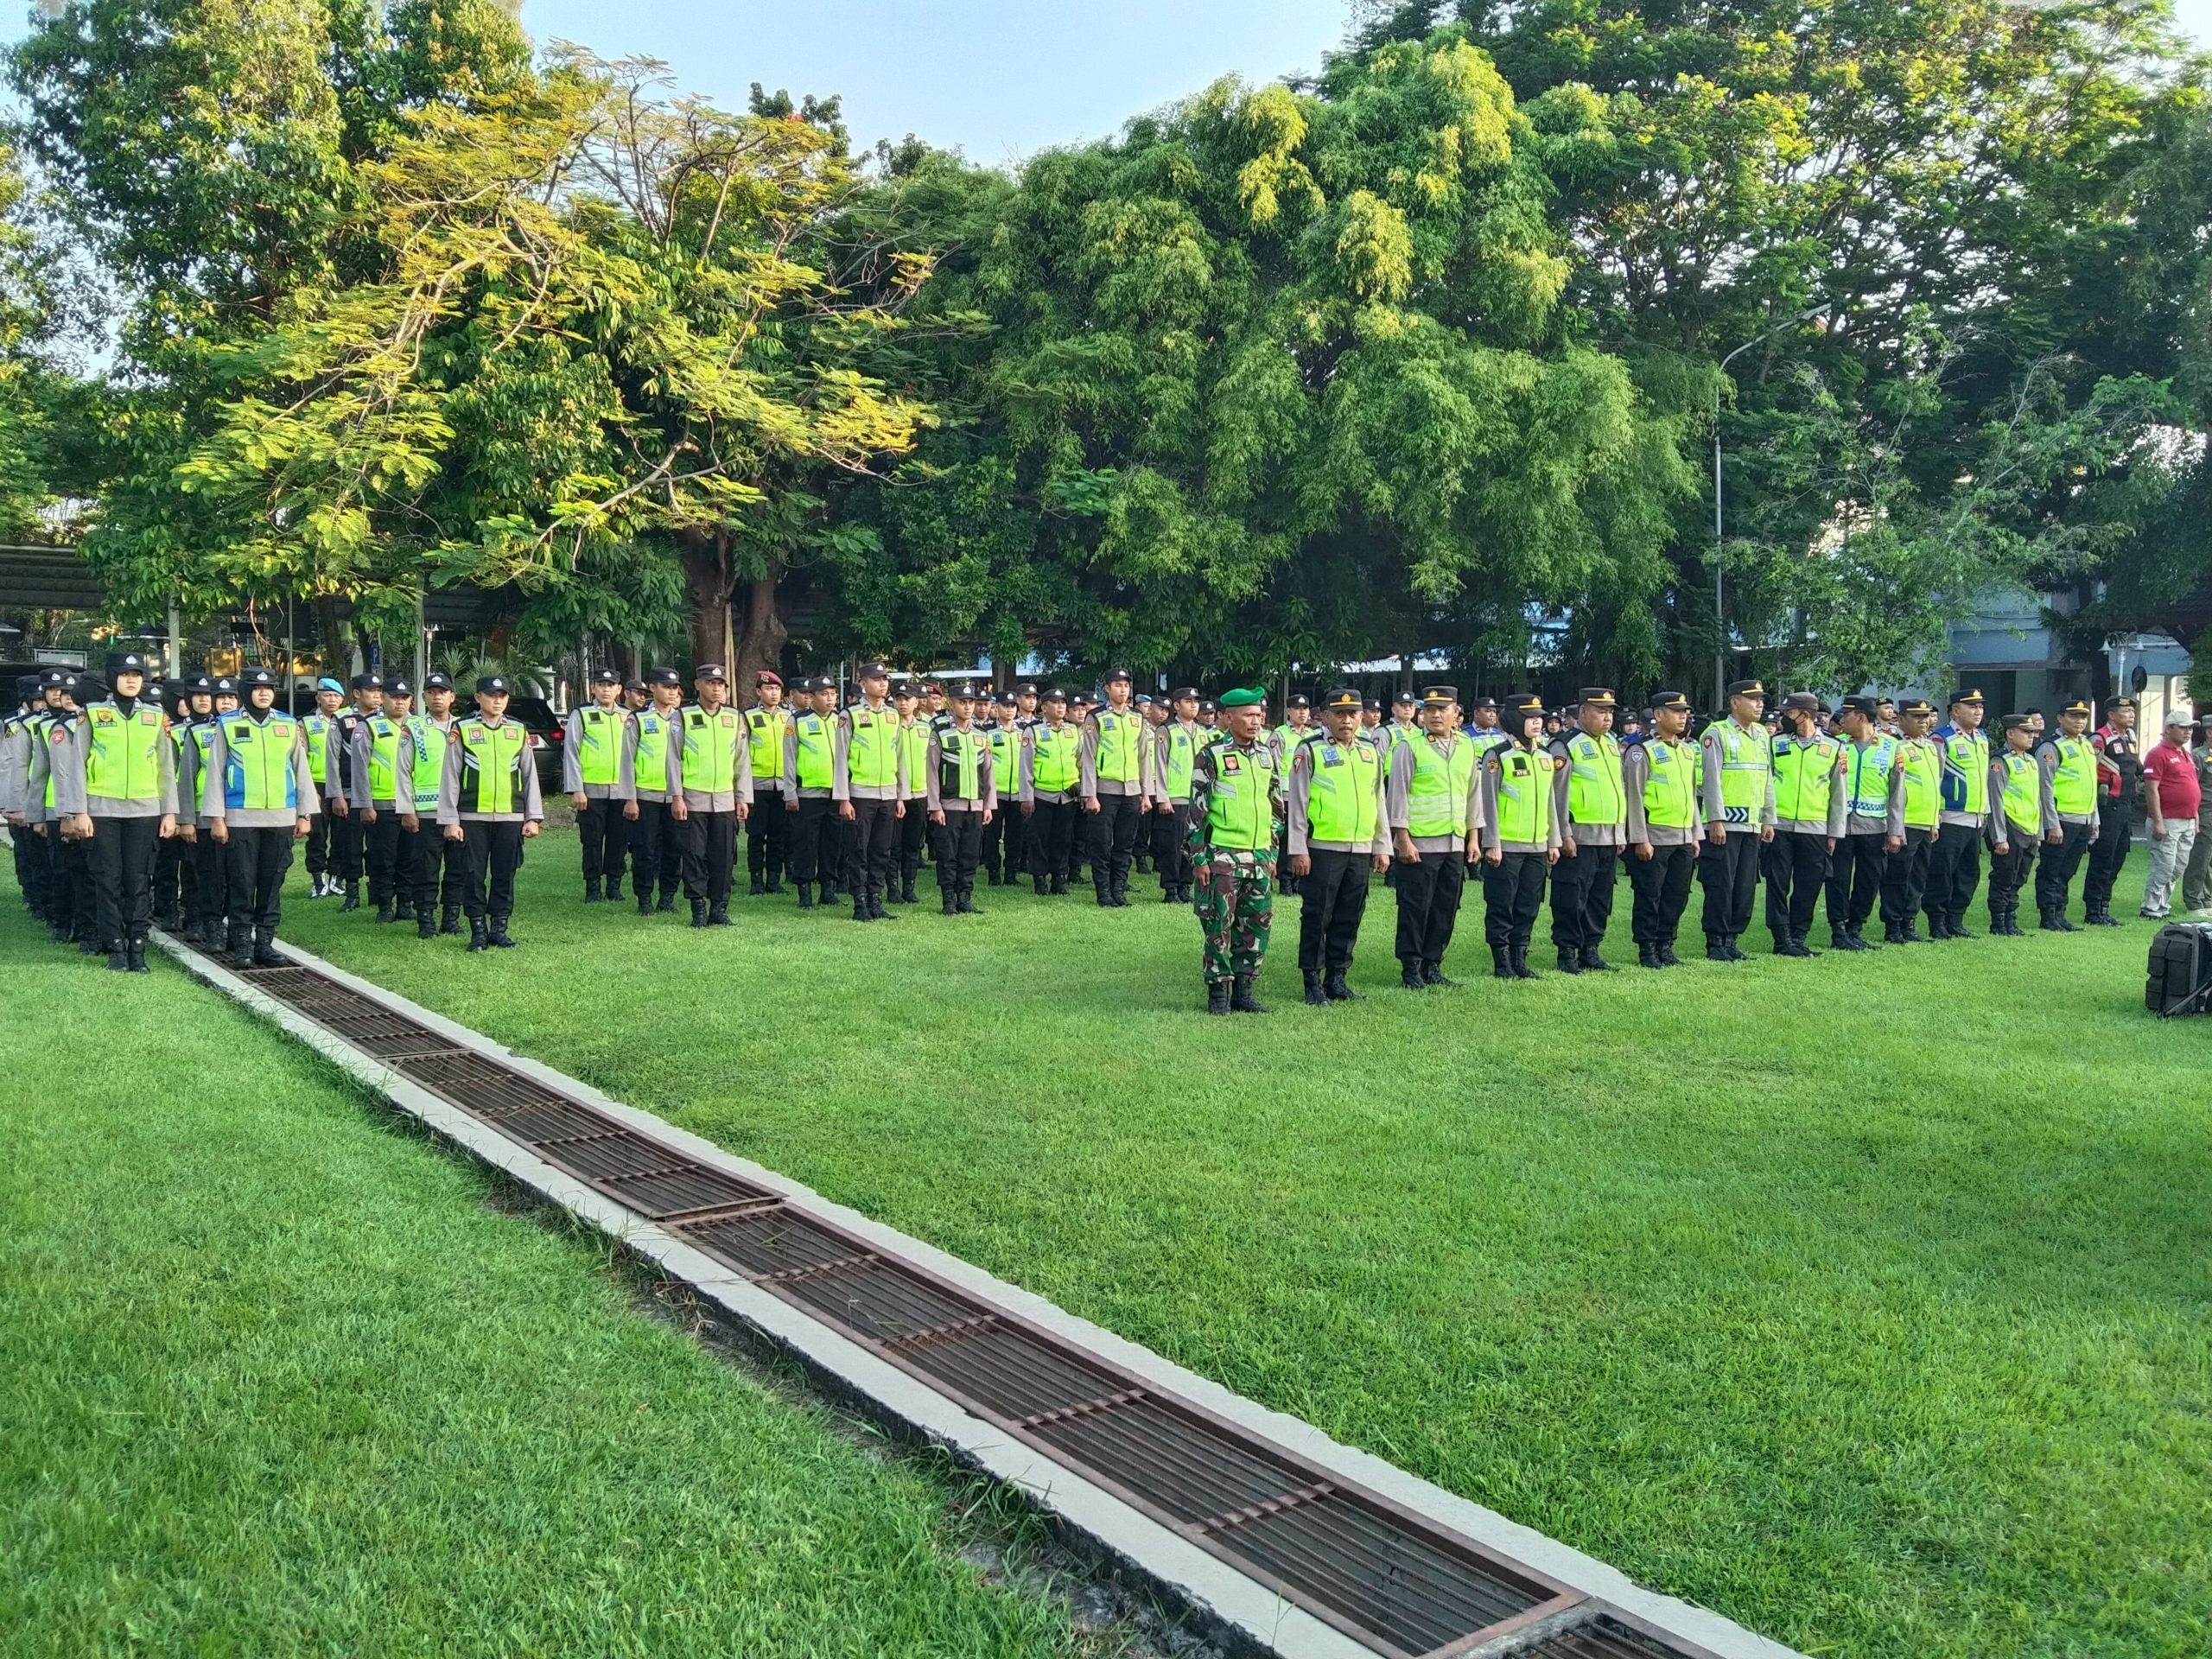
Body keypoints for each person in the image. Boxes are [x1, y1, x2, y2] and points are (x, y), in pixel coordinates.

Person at [46, 651, 180, 972]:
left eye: (137, 674)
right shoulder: (91, 714)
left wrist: (170, 812)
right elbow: (76, 765)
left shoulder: (153, 715)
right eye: (125, 674)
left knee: (137, 880)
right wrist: (79, 811)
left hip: (145, 809)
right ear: (111, 678)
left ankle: (137, 944)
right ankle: (115, 947)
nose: (132, 680)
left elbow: (164, 766)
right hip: (101, 809)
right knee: (108, 880)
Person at [199, 665, 315, 965]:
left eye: (269, 688)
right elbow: (215, 773)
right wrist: (216, 818)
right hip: (240, 818)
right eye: (257, 688)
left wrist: (305, 814)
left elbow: (301, 771)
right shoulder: (226, 725)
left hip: (280, 817)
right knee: (241, 881)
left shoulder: (288, 725)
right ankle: (242, 947)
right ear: (244, 692)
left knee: (272, 881)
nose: (264, 693)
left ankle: (265, 943)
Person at [1286, 688, 1389, 1003]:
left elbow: (1378, 800)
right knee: (1318, 915)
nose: (1347, 720)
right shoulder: (1310, 750)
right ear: (1326, 716)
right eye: (1340, 714)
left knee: (1349, 914)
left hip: (1359, 847)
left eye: (1353, 714)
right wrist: (1298, 848)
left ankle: (1337, 977)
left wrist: (1382, 844)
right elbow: (1298, 803)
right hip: (1322, 847)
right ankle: (1312, 981)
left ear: (1361, 717)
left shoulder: (1371, 750)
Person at [1187, 686, 1281, 1014]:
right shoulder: (1211, 754)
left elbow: (1276, 808)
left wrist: (1272, 853)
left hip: (1258, 857)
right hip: (1222, 857)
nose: (1256, 721)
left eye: (1259, 715)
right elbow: (1197, 809)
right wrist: (1199, 858)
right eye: (1248, 715)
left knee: (1256, 925)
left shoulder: (1267, 755)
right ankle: (1218, 994)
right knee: (1218, 926)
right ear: (1228, 718)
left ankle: (1244, 991)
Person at [436, 675, 543, 950]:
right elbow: (450, 777)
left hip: (511, 816)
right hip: (472, 816)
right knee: (472, 874)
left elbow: (530, 776)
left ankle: (499, 927)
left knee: (505, 873)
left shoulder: (518, 730)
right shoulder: (462, 729)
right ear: (478, 698)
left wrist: (532, 817)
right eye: (491, 695)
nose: (497, 700)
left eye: (502, 696)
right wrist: (450, 819)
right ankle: (478, 931)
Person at [1387, 686, 1482, 988]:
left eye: (1443, 709)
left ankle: (1433, 964)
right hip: (1420, 843)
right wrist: (1402, 839)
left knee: (1446, 906)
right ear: (1421, 714)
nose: (1436, 715)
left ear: (1456, 714)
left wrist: (1474, 838)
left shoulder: (1467, 746)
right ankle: (1411, 967)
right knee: (1416, 907)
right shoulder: (1410, 746)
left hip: (1454, 842)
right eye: (1430, 709)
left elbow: (1473, 795)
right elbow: (1397, 796)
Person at [1477, 693, 1559, 979]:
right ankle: (1502, 962)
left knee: (1528, 904)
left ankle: (1519, 957)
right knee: (1502, 904)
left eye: (1539, 717)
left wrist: (1554, 841)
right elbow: (1487, 802)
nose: (1537, 723)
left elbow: (1551, 803)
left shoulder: (1546, 757)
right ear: (1514, 719)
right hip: (1507, 847)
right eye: (1530, 717)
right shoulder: (1498, 756)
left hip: (1537, 844)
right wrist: (1492, 843)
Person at [1547, 688, 1627, 972]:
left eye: (1610, 712)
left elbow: (1617, 789)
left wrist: (1620, 830)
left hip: (1608, 834)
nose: (1608, 718)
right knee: (1571, 895)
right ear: (1582, 712)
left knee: (1599, 896)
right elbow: (1555, 795)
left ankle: (1590, 949)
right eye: (1601, 711)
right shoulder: (1565, 745)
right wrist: (1563, 834)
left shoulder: (1610, 744)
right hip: (1579, 836)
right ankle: (1567, 951)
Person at [1760, 691, 1843, 958]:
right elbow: (1767, 783)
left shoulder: (1834, 747)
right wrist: (1766, 819)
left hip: (1815, 827)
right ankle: (1781, 937)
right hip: (1780, 826)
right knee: (1777, 882)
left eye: (1788, 713)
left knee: (1809, 884)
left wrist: (1834, 832)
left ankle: (1798, 935)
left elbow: (1838, 794)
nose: (1783, 718)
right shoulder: (1776, 744)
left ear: (1804, 714)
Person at [1623, 690, 1701, 968]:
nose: (1683, 717)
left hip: (1682, 835)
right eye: (1677, 712)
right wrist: (1639, 838)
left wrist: (1695, 833)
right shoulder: (1642, 751)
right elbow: (1633, 797)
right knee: (1650, 895)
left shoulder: (1687, 751)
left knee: (1677, 895)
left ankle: (1666, 944)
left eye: (1685, 712)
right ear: (1658, 715)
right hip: (1654, 836)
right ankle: (1647, 949)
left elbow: (1691, 795)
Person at [1699, 679, 1776, 960]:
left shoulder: (1761, 735)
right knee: (1721, 883)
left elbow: (1766, 778)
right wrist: (1716, 819)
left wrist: (1768, 818)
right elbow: (1711, 780)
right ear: (1735, 702)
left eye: (1761, 699)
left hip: (1752, 825)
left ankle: (1732, 938)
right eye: (1753, 699)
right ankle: (1716, 941)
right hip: (1726, 825)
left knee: (1744, 885)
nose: (1760, 704)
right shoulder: (1716, 733)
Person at [671, 664, 750, 926]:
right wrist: (677, 796)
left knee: (724, 855)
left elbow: (741, 760)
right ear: (698, 685)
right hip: (694, 797)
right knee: (694, 854)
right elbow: (673, 759)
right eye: (711, 683)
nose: (716, 689)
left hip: (725, 798)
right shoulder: (683, 716)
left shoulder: (734, 717)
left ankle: (719, 907)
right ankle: (698, 908)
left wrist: (743, 797)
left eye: (721, 684)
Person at [1826, 696, 1903, 951]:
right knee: (1837, 878)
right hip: (1841, 825)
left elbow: (1897, 793)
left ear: (1860, 717)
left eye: (1845, 716)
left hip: (1874, 826)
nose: (1840, 721)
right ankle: (1838, 929)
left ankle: (1855, 927)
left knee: (1869, 879)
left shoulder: (1891, 746)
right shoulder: (1838, 745)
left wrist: (1895, 830)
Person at [834, 662, 906, 922]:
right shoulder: (849, 714)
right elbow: (840, 758)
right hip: (861, 793)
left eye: (885, 679)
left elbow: (900, 757)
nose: (883, 684)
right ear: (863, 683)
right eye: (876, 679)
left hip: (887, 793)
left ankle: (876, 899)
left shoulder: (892, 715)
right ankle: (859, 902)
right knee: (859, 849)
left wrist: (901, 795)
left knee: (881, 850)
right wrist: (843, 797)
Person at [1078, 667, 1154, 906]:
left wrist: (1146, 793)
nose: (1123, 690)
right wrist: (1090, 794)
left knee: (1125, 843)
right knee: (1101, 843)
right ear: (1107, 688)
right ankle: (1103, 892)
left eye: (1126, 685)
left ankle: (1118, 890)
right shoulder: (1097, 717)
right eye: (1118, 685)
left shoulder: (1137, 717)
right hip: (1104, 791)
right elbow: (1088, 758)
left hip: (1131, 791)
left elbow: (1144, 756)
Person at [397, 671, 461, 938]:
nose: (437, 697)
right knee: (426, 868)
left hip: (460, 812)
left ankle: (451, 917)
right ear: (423, 697)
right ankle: (425, 919)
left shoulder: (464, 727)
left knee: (458, 868)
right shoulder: (414, 728)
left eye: (442, 692)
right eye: (432, 692)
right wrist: (407, 810)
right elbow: (402, 771)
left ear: (452, 697)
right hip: (425, 812)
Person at [563, 666, 635, 903]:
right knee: (592, 841)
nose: (606, 689)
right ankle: (592, 887)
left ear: (619, 689)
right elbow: (572, 753)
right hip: (591, 790)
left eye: (611, 685)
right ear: (593, 688)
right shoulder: (581, 714)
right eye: (601, 685)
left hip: (621, 791)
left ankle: (614, 886)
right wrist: (577, 788)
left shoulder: (627, 716)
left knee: (619, 840)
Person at [1925, 688, 1993, 938]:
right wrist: (1936, 812)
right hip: (1950, 816)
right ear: (1955, 710)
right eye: (1972, 707)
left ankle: (1956, 919)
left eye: (1981, 707)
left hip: (1975, 817)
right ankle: (1938, 921)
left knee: (1968, 873)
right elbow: (1935, 778)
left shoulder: (1982, 738)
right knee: (1943, 871)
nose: (1978, 711)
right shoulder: (1942, 738)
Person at [925, 683, 997, 912]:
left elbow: (988, 772)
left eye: (970, 702)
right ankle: (948, 900)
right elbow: (932, 772)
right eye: (962, 702)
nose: (967, 707)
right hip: (949, 805)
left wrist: (988, 805)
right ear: (951, 703)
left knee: (970, 854)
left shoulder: (981, 734)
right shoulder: (941, 732)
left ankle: (965, 897)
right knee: (948, 854)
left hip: (975, 805)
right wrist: (935, 806)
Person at [349, 676, 414, 924]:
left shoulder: (418, 727)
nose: (400, 702)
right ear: (383, 698)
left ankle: (405, 903)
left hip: (411, 805)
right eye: (394, 697)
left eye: (404, 697)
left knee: (409, 857)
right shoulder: (368, 726)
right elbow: (359, 768)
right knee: (382, 858)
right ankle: (385, 904)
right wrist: (365, 804)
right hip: (381, 804)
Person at [2033, 698, 2101, 931]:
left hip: (2083, 818)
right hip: (2061, 819)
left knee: (2067, 871)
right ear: (2060, 718)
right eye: (2073, 716)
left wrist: (2094, 819)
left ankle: (2060, 913)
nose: (2079, 721)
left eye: (2083, 717)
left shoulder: (2086, 745)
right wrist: (2052, 824)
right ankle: (2048, 915)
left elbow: (2091, 784)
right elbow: (2045, 787)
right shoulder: (2051, 747)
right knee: (2051, 870)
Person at [1878, 697, 1942, 944]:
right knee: (1897, 877)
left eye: (1925, 717)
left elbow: (1933, 786)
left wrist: (1934, 821)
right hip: (1905, 822)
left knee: (1918, 878)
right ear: (1900, 719)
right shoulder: (1896, 746)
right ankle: (1893, 926)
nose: (1923, 721)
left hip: (1925, 822)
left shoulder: (1929, 747)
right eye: (1917, 717)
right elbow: (1893, 788)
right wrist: (1895, 826)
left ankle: (1909, 923)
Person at [623, 668, 683, 915]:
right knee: (644, 850)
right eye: (666, 687)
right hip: (646, 795)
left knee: (675, 849)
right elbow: (627, 760)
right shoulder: (637, 718)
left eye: (674, 688)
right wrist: (630, 798)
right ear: (652, 688)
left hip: (676, 797)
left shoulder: (684, 719)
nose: (671, 692)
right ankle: (644, 897)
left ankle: (667, 897)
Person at [321, 673, 380, 911]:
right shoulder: (343, 719)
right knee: (350, 845)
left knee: (378, 846)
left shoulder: (386, 719)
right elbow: (332, 759)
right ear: (357, 693)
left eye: (379, 691)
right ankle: (352, 892)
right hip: (349, 793)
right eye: (371, 691)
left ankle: (377, 890)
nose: (377, 696)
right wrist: (336, 794)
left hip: (379, 794)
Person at [2082, 696, 2140, 926]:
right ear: (2112, 715)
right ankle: (2094, 909)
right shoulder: (2100, 738)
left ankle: (2104, 906)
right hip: (2108, 807)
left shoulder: (2127, 738)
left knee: (2118, 858)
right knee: (2103, 858)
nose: (2131, 716)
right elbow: (2090, 769)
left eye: (2132, 712)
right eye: (2126, 712)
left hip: (2125, 807)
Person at [1984, 715, 2044, 935]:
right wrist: (1999, 836)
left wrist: (2039, 832)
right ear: (2010, 734)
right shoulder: (2001, 761)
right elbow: (1996, 800)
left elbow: (2036, 798)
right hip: (2010, 826)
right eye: (2026, 732)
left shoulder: (2031, 761)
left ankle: (2011, 920)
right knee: (2004, 876)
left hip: (2028, 827)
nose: (2031, 736)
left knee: (2019, 877)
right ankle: (1998, 922)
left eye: (2032, 732)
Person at [785, 676, 842, 909]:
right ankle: (804, 890)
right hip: (807, 792)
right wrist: (790, 792)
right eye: (824, 694)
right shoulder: (797, 721)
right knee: (806, 844)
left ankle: (827, 888)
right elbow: (789, 758)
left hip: (835, 793)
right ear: (812, 697)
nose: (830, 699)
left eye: (833, 694)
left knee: (832, 843)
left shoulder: (841, 720)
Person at [2138, 712, 2200, 920]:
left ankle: (2162, 903)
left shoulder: (2186, 753)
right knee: (2164, 865)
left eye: (2190, 728)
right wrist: (2158, 821)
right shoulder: (2158, 753)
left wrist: (2195, 816)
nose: (2188, 731)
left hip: (2187, 819)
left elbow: (2192, 787)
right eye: (2183, 727)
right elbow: (2151, 789)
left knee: (2179, 865)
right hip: (2168, 819)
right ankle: (2151, 906)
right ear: (2168, 728)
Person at [1020, 687, 1081, 894]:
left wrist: (1081, 786)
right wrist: (1027, 797)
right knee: (1039, 839)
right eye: (1055, 703)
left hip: (1067, 794)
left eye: (1063, 702)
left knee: (1063, 839)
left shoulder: (1072, 730)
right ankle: (1039, 879)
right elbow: (1026, 767)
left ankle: (1059, 879)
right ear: (1044, 707)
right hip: (1042, 794)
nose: (1061, 706)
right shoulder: (1034, 730)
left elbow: (1080, 760)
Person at [1150, 687, 1202, 902]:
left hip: (1196, 798)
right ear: (1177, 705)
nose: (1193, 705)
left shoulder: (1202, 732)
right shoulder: (1167, 730)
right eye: (1188, 701)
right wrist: (1162, 797)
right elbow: (1160, 765)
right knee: (1172, 845)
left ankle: (1185, 885)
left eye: (1196, 701)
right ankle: (1170, 888)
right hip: (1175, 796)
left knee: (1193, 844)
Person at [297, 677, 346, 897]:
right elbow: (301, 756)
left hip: (342, 785)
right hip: (316, 784)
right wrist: (308, 790)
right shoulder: (305, 723)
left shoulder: (347, 720)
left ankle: (337, 877)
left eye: (336, 696)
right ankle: (318, 879)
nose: (332, 700)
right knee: (317, 834)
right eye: (327, 695)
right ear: (318, 698)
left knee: (341, 834)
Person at [890, 679, 931, 905]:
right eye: (899, 698)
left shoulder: (927, 728)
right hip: (896, 795)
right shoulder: (889, 725)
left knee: (913, 844)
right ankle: (892, 888)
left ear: (917, 702)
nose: (903, 703)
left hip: (920, 794)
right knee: (893, 845)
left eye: (907, 699)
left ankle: (909, 887)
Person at [982, 692, 1028, 887]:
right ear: (996, 708)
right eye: (1005, 705)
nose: (1009, 710)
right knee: (992, 836)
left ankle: (1011, 873)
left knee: (1015, 835)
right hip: (995, 793)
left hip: (1018, 792)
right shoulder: (986, 731)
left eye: (1012, 706)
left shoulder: (1025, 732)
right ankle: (993, 872)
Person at [2183, 725, 2212, 917]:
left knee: (2210, 859)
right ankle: (2193, 900)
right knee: (2200, 858)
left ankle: (2208, 898)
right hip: (2205, 811)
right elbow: (2192, 786)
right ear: (2210, 732)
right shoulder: (2198, 755)